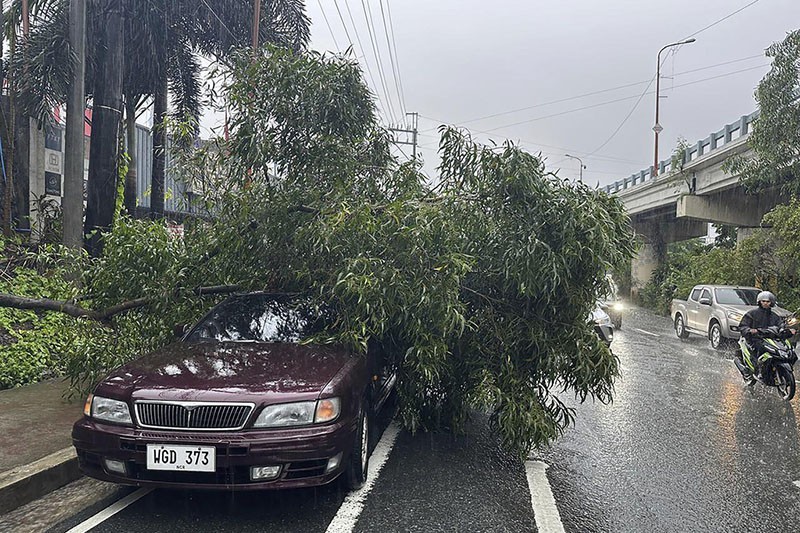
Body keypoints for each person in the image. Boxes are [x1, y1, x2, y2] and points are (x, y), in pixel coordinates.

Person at [738, 291, 794, 377]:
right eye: (763, 301)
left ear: (771, 303)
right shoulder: (752, 314)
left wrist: (788, 330)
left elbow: (780, 325)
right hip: (756, 339)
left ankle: (781, 368)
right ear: (759, 302)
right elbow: (743, 326)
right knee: (760, 348)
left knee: (789, 350)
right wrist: (749, 330)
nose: (765, 303)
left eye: (768, 302)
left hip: (772, 339)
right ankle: (758, 369)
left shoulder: (775, 316)